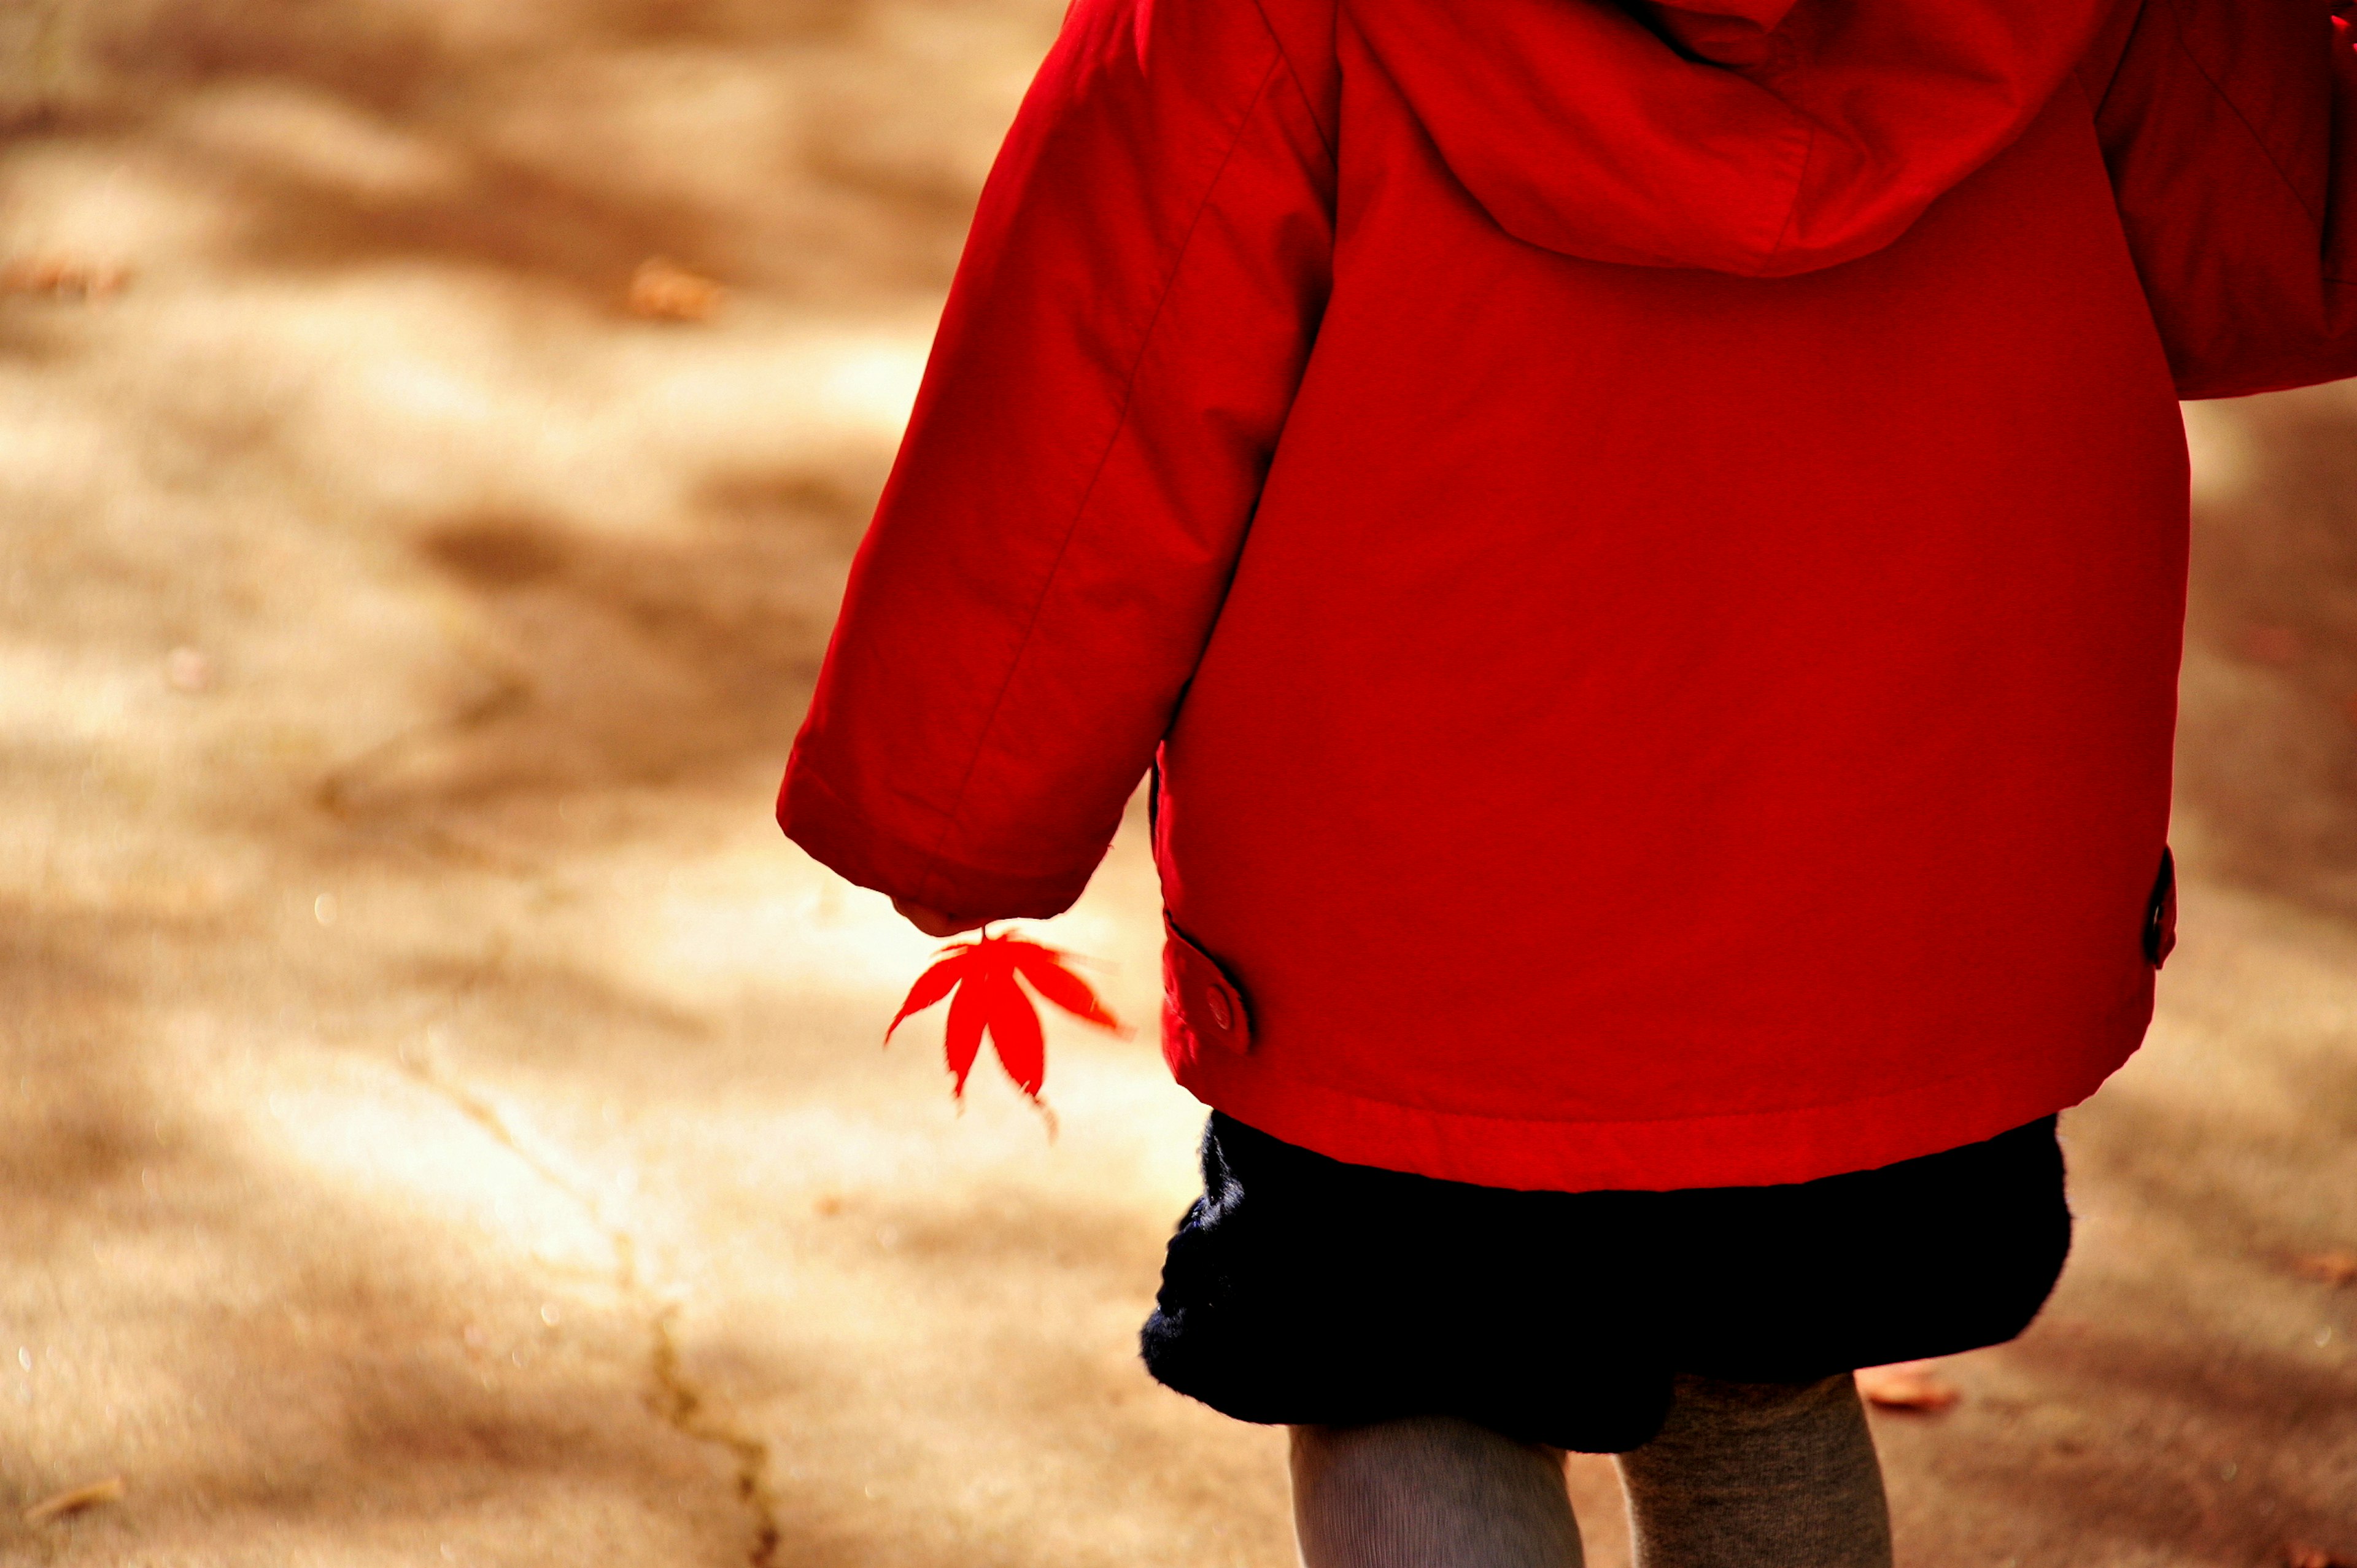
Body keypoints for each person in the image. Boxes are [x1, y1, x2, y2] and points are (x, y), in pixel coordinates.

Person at [778, 1, 2357, 1562]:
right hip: (1870, 918)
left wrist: (954, 802)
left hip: (1428, 932)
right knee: (1764, 1378)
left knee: (1403, 1386)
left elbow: (1100, 383)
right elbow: (2287, 250)